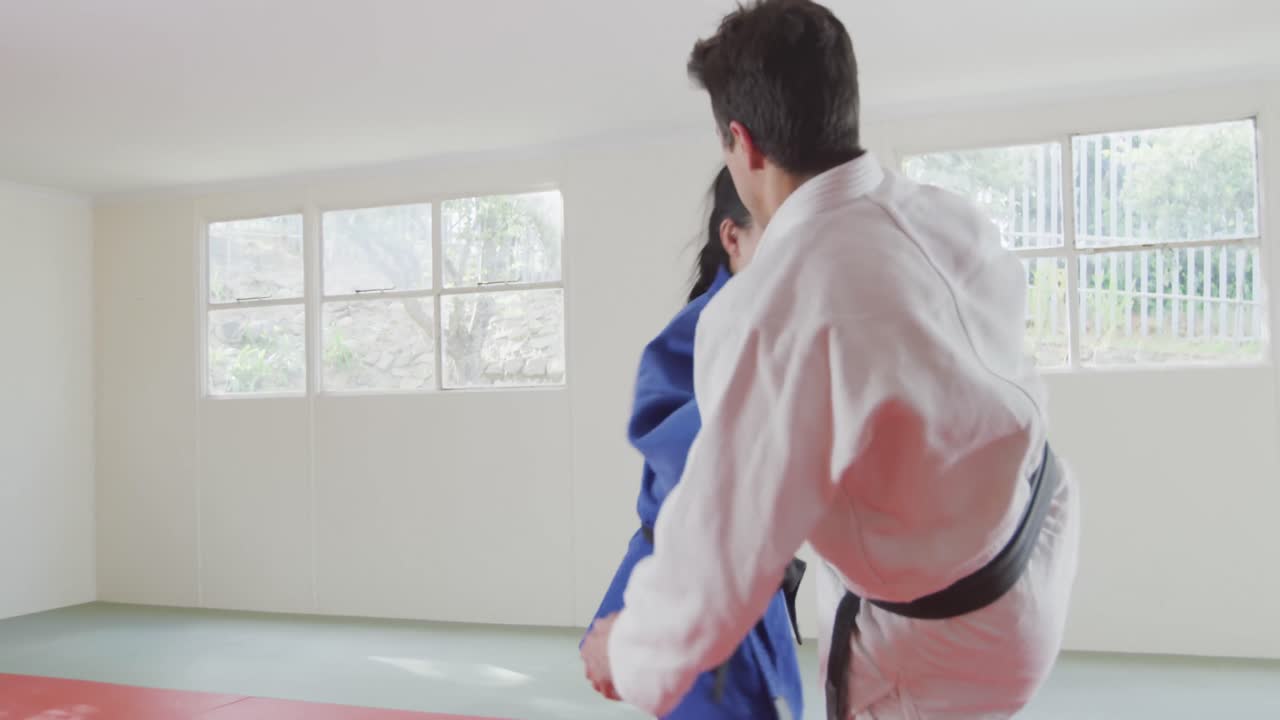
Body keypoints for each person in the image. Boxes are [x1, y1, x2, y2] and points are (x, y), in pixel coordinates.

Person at [580, 1, 1081, 718]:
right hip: (1034, 545)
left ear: (742, 143)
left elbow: (715, 580)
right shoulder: (949, 215)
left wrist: (622, 651)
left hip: (939, 645)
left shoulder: (768, 310)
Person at [584, 167, 805, 720]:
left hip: (745, 589)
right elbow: (699, 483)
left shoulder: (776, 324)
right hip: (702, 591)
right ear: (734, 237)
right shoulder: (701, 336)